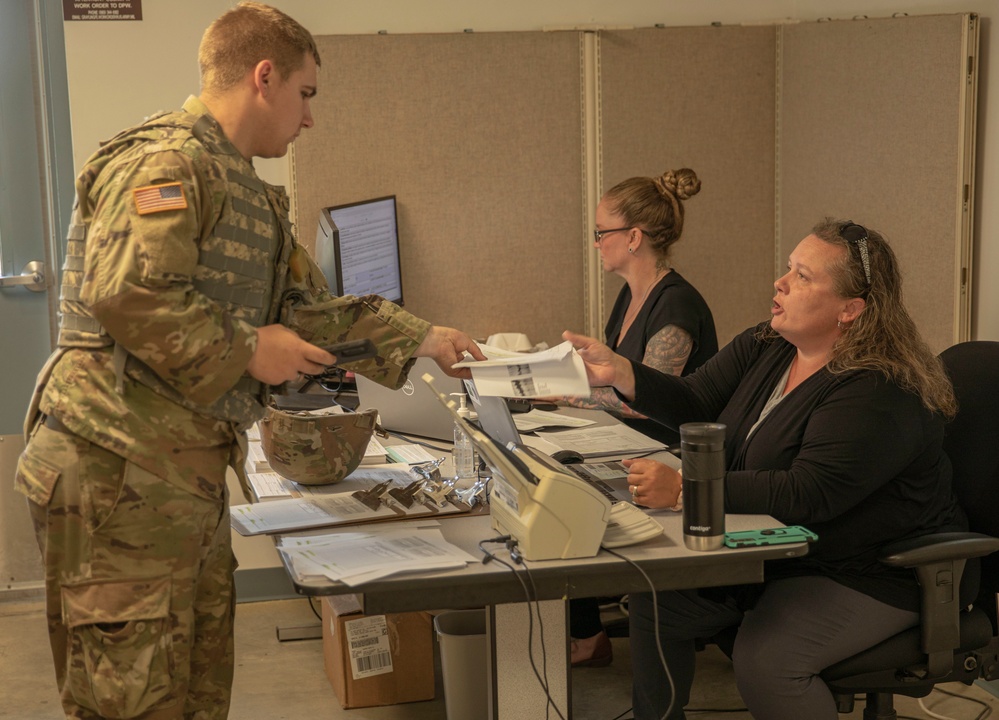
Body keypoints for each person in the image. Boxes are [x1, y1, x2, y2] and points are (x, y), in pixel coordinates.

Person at [14, 4, 483, 719]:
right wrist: (250, 349)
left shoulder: (240, 187)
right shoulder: (167, 162)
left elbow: (295, 310)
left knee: (195, 688)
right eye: (305, 94)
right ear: (264, 77)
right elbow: (126, 292)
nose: (309, 118)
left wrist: (423, 338)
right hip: (116, 470)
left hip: (176, 471)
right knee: (131, 700)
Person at [564, 218, 966, 719]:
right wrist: (621, 372)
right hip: (783, 552)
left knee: (767, 661)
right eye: (789, 268)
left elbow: (807, 492)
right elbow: (696, 399)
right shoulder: (769, 344)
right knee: (658, 598)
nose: (780, 282)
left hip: (871, 571)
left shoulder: (878, 388)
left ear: (850, 309)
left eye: (802, 276)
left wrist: (688, 489)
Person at [565, 168, 718, 668]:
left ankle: (587, 635)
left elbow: (647, 401)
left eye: (600, 233)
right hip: (630, 441)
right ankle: (586, 631)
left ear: (633, 237)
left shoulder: (676, 305)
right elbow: (612, 382)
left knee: (566, 492)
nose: (596, 244)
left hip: (668, 456)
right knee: (553, 474)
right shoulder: (633, 294)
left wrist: (560, 395)